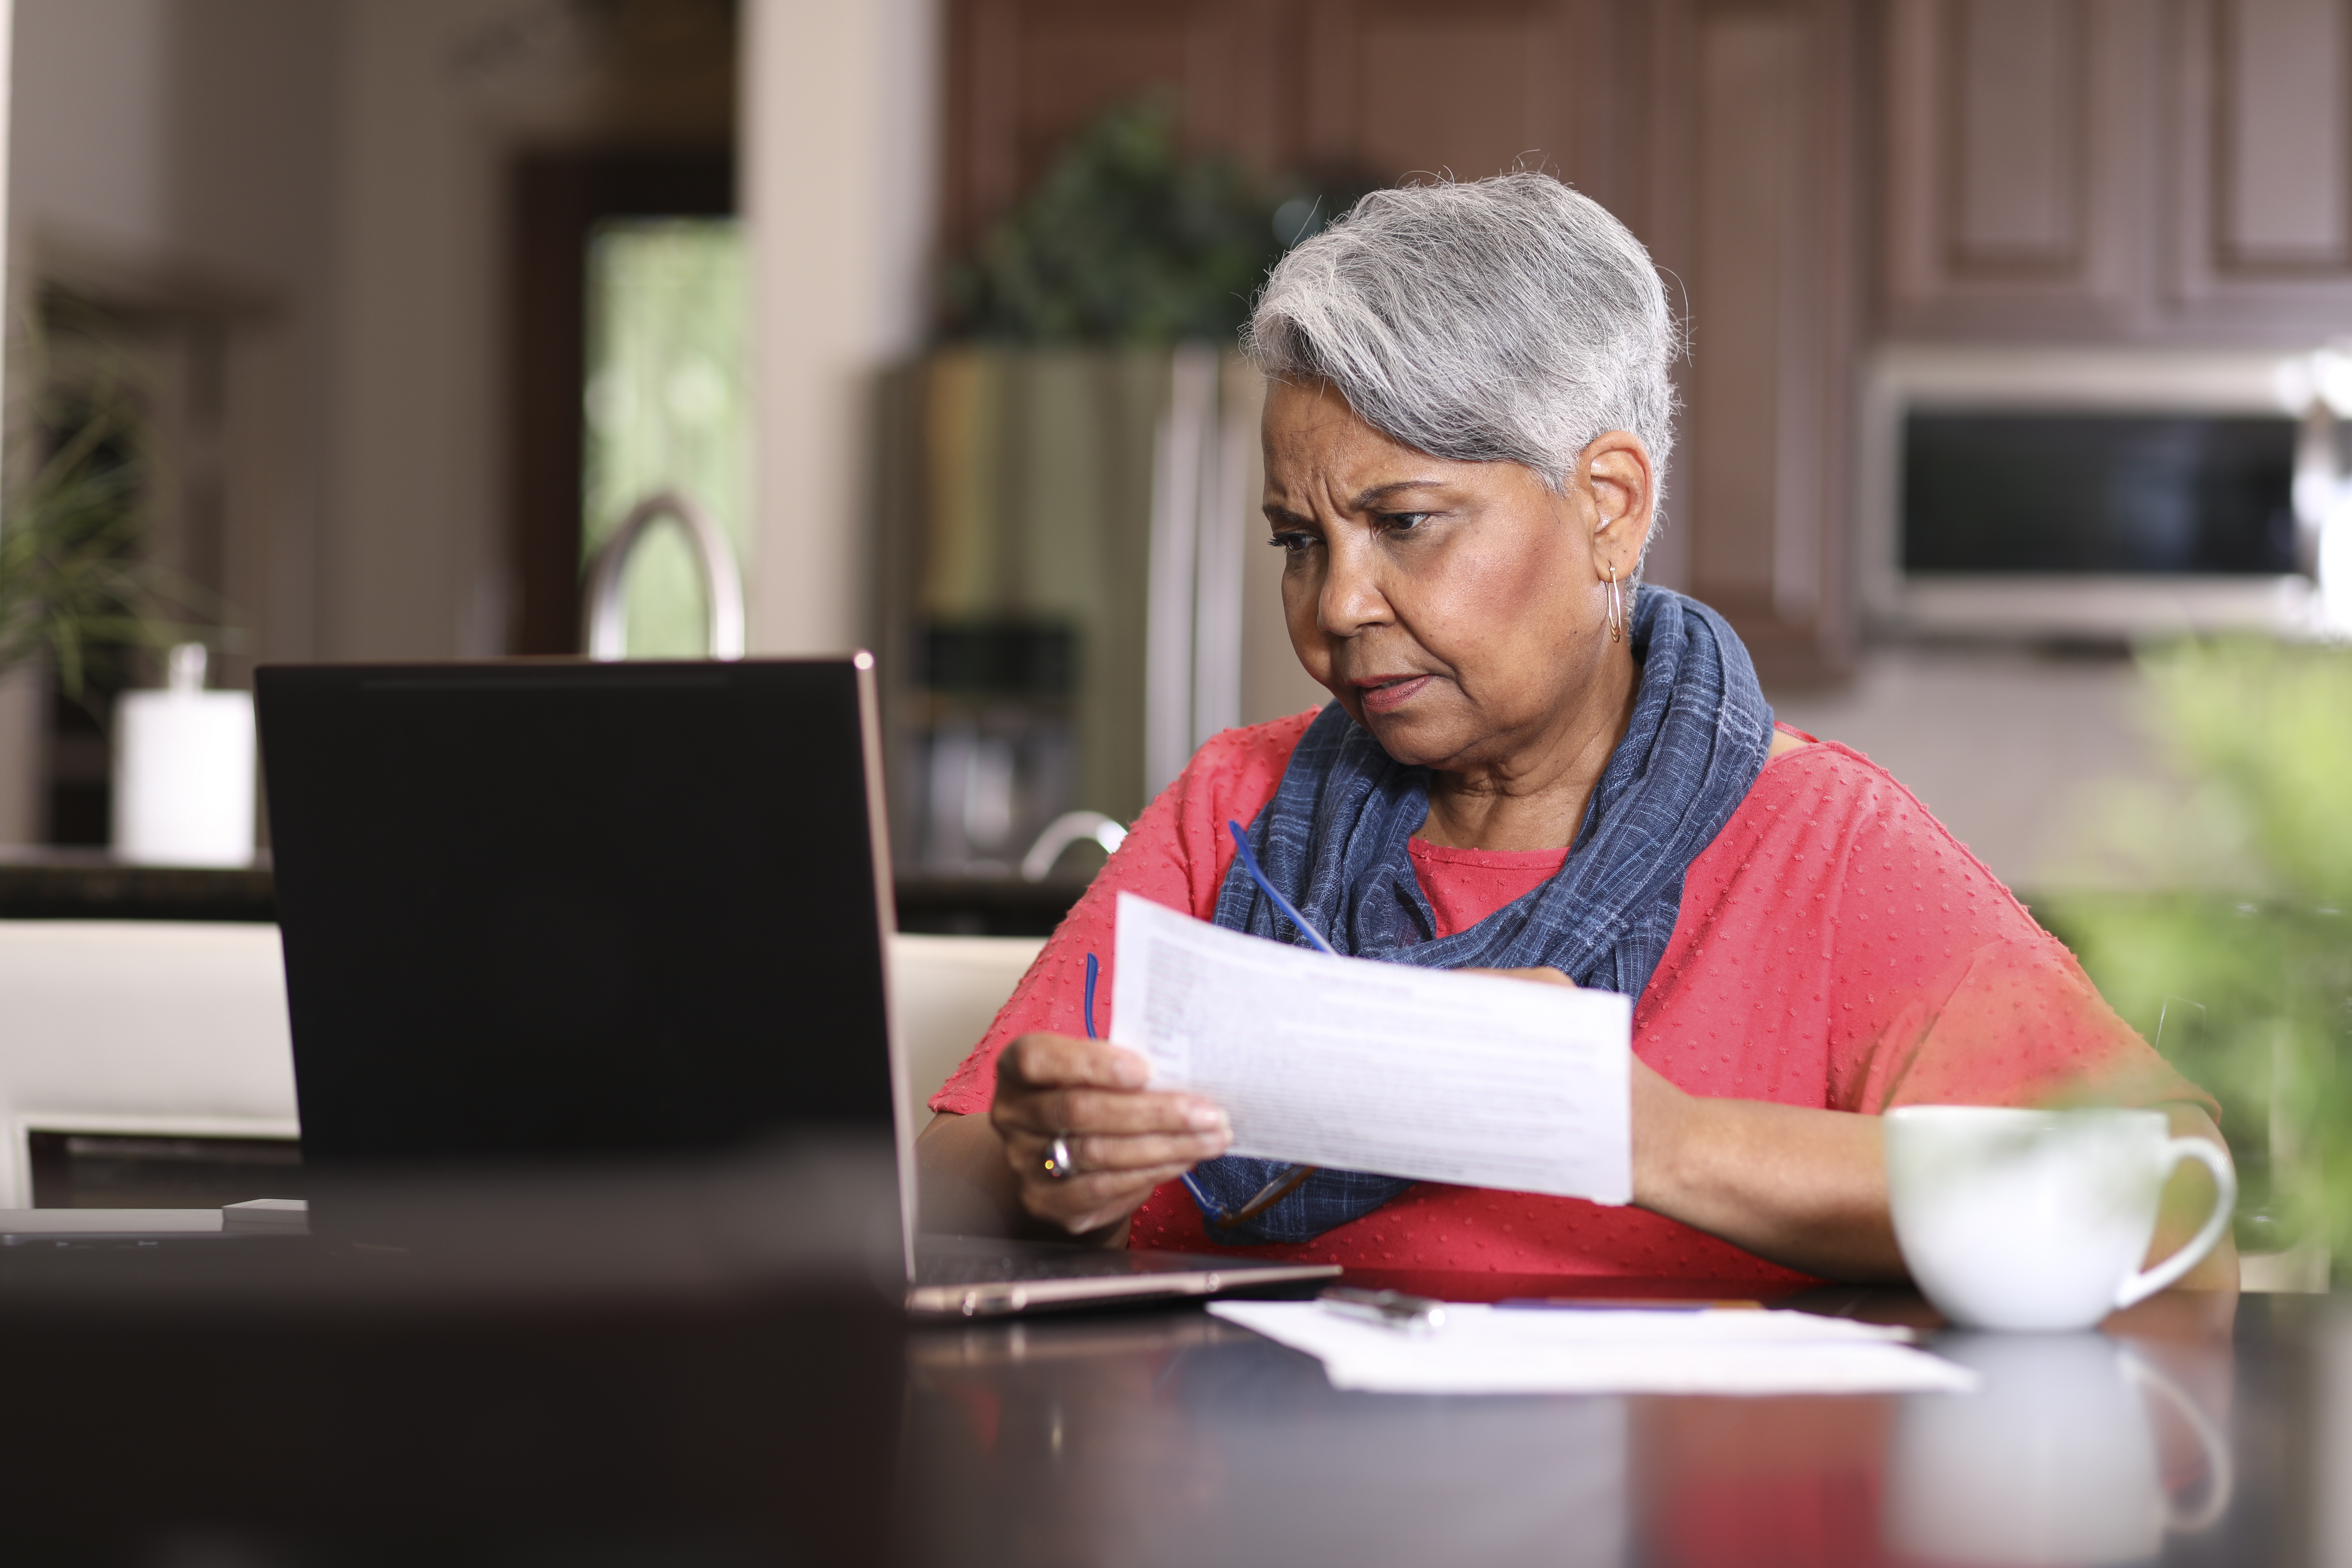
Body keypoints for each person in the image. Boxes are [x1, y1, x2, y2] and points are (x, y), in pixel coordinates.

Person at [916, 172, 2233, 1291]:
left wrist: (1652, 1139)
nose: (1338, 606)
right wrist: (1048, 1160)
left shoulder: (1821, 852)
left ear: (1607, 504)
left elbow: (2171, 1209)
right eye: (1299, 542)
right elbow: (945, 1181)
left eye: (1407, 522)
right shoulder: (1234, 812)